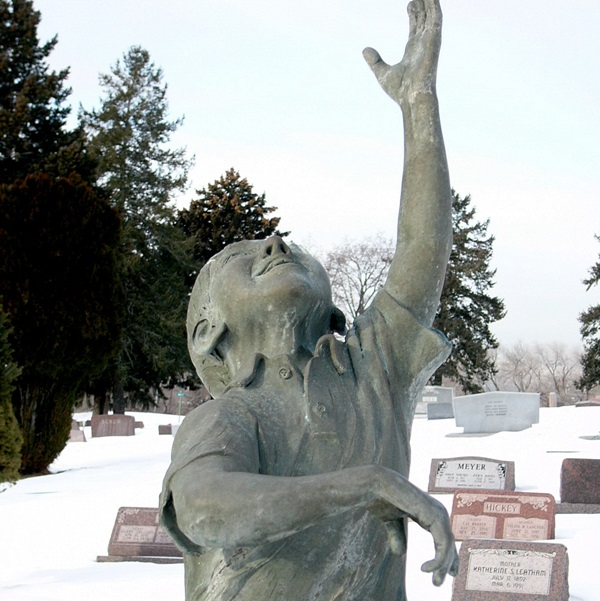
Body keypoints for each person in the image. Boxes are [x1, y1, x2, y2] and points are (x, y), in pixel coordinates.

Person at [160, 1, 459, 599]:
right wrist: (367, 484)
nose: (273, 241)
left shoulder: (375, 372)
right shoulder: (228, 418)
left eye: (286, 244)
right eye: (243, 258)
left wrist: (417, 104)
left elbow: (422, 246)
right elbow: (205, 506)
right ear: (207, 333)